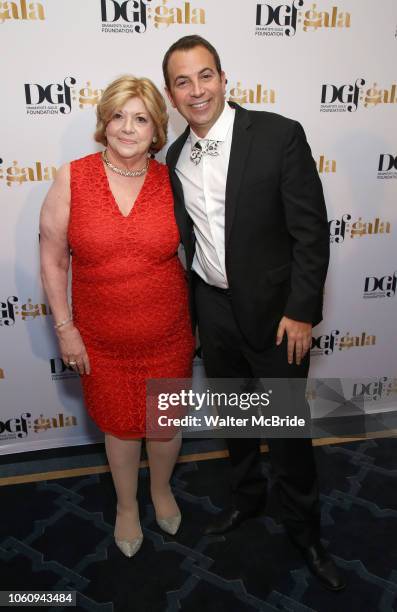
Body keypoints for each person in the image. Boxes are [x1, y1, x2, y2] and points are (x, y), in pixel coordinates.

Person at [162, 35, 346, 590]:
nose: (197, 91)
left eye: (205, 76)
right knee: (237, 419)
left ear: (224, 78)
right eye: (183, 81)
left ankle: (305, 529)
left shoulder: (277, 134)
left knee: (286, 430)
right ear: (171, 94)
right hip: (213, 308)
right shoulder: (173, 157)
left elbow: (311, 232)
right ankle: (246, 500)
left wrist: (301, 311)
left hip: (276, 314)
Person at [40, 75, 195, 558]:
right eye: (119, 116)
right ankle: (127, 505)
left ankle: (161, 490)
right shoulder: (74, 176)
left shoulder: (174, 180)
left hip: (167, 333)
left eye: (141, 118)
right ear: (104, 122)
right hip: (101, 342)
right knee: (121, 427)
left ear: (157, 129)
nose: (128, 128)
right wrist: (66, 330)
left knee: (164, 424)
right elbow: (52, 257)